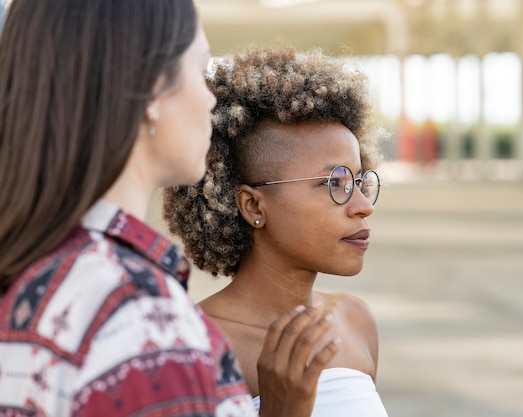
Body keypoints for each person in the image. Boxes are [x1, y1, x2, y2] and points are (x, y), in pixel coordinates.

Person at [0, 1, 339, 416]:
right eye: (200, 71)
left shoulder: (36, 275)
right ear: (151, 89)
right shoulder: (143, 324)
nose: (211, 101)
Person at [163, 43, 389, 417]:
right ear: (253, 205)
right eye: (334, 183)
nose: (363, 206)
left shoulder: (355, 321)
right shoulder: (195, 344)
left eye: (359, 180)